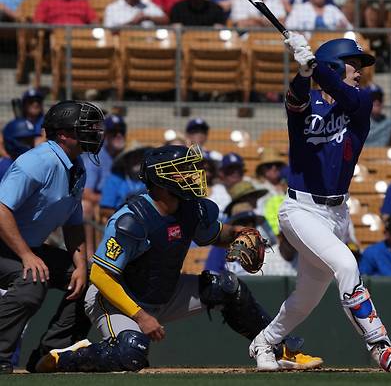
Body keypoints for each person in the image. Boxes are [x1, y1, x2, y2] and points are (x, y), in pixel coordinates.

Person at [33, 144, 322, 373]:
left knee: (228, 287)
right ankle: (70, 357)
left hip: (165, 291)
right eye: (181, 171)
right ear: (160, 180)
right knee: (132, 353)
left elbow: (216, 234)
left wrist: (239, 232)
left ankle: (277, 348)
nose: (191, 175)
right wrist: (141, 317)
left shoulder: (190, 208)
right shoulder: (132, 219)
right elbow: (100, 275)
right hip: (118, 299)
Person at [247, 34, 391, 372]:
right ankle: (379, 345)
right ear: (336, 64)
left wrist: (315, 67)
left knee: (306, 298)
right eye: (354, 63)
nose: (361, 70)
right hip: (300, 209)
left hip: (337, 213)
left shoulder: (360, 103)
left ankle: (264, 342)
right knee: (347, 266)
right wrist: (304, 72)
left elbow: (343, 93)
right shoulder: (307, 102)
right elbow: (294, 99)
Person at [0, 100, 104, 374]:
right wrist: (26, 255)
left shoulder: (76, 164)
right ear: (63, 134)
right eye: (86, 128)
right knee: (32, 280)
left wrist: (81, 266)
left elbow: (73, 223)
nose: (94, 132)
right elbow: (1, 210)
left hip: (26, 246)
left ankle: (50, 355)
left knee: (93, 280)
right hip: (6, 247)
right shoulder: (37, 161)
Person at [81, 114, 126, 257]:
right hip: (104, 203)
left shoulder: (127, 156)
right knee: (85, 206)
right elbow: (85, 192)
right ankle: (89, 256)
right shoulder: (96, 156)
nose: (118, 135)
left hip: (124, 201)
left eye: (122, 131)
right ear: (105, 135)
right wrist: (109, 198)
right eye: (113, 132)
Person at [98, 146, 149, 215]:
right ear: (125, 161)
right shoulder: (114, 180)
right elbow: (104, 209)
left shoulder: (149, 178)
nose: (137, 159)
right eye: (133, 157)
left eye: (140, 156)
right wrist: (127, 216)